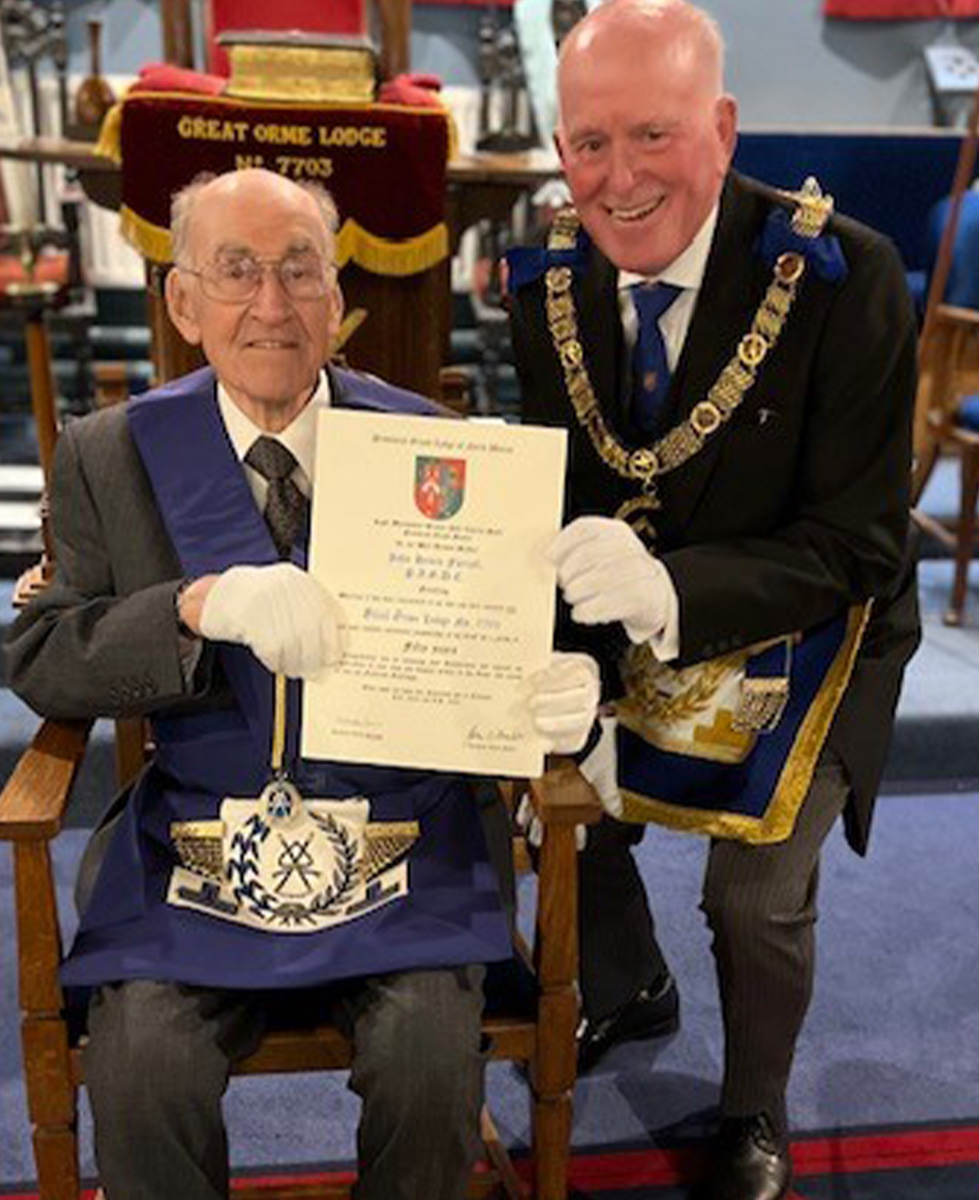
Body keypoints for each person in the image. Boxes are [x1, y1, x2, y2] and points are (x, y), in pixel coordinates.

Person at [6, 167, 600, 1200]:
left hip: (402, 840)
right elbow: (44, 655)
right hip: (199, 845)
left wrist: (550, 691)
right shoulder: (110, 453)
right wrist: (188, 609)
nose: (271, 305)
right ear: (183, 302)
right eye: (236, 271)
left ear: (338, 296)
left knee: (426, 1060)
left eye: (299, 272)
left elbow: (506, 641)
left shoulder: (435, 446)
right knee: (143, 1064)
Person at [505, 3, 920, 1198]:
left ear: (722, 129)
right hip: (636, 627)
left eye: (653, 135)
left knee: (751, 893)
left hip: (816, 627)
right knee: (540, 779)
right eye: (588, 143)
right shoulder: (546, 291)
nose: (617, 180)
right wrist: (573, 650)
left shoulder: (846, 276)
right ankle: (630, 977)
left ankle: (753, 1107)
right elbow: (558, 498)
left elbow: (856, 543)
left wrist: (670, 592)